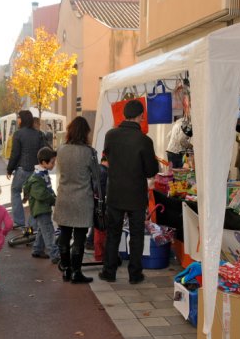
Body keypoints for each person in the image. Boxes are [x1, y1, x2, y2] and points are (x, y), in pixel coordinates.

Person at [99, 100, 159, 284]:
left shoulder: (111, 135)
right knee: (136, 234)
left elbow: (106, 157)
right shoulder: (144, 140)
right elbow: (150, 171)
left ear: (124, 115)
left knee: (113, 233)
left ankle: (109, 271)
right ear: (141, 116)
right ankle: (135, 274)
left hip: (115, 191)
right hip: (135, 195)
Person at [53, 116, 99, 284]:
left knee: (64, 233)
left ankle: (65, 269)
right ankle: (76, 272)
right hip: (82, 199)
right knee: (79, 236)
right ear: (85, 132)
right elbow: (96, 176)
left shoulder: (61, 150)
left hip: (64, 196)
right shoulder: (89, 152)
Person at [6, 110, 48, 228]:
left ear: (22, 119)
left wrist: (9, 169)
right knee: (33, 197)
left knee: (15, 191)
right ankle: (32, 225)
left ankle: (19, 221)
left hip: (22, 169)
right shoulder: (39, 134)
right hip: (36, 170)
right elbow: (43, 152)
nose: (17, 120)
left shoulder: (18, 134)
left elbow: (15, 154)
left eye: (18, 118)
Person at [23, 147, 59, 264]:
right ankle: (55, 254)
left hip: (42, 208)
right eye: (52, 162)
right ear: (44, 163)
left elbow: (48, 189)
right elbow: (42, 194)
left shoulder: (42, 174)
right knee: (48, 231)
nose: (54, 164)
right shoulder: (38, 177)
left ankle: (37, 249)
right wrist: (54, 200)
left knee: (41, 230)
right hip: (41, 209)